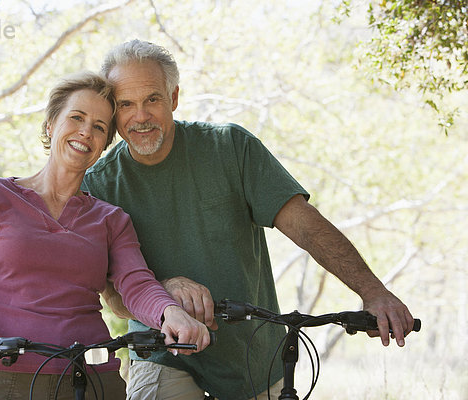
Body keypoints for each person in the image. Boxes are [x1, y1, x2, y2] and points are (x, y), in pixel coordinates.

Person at [81, 40, 416, 400]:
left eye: (152, 99)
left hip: (253, 351)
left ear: (173, 98)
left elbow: (305, 225)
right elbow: (114, 296)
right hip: (164, 352)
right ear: (112, 111)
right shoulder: (97, 184)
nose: (140, 116)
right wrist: (165, 291)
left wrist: (373, 292)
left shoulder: (230, 147)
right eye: (126, 104)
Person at [0, 71, 210, 400]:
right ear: (51, 125)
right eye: (77, 117)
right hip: (2, 374)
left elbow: (137, 285)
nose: (86, 131)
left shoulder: (111, 219)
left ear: (103, 145)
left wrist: (172, 313)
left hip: (91, 379)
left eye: (99, 127)